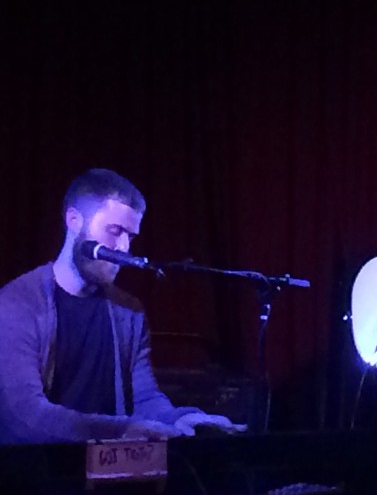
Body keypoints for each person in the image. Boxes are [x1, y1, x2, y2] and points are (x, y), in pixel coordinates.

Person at [0, 168, 246, 444]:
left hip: (113, 474)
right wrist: (120, 430)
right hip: (44, 478)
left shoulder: (128, 311)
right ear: (74, 220)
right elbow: (24, 417)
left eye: (130, 236)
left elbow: (143, 398)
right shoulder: (17, 303)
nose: (124, 248)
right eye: (114, 231)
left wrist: (181, 418)